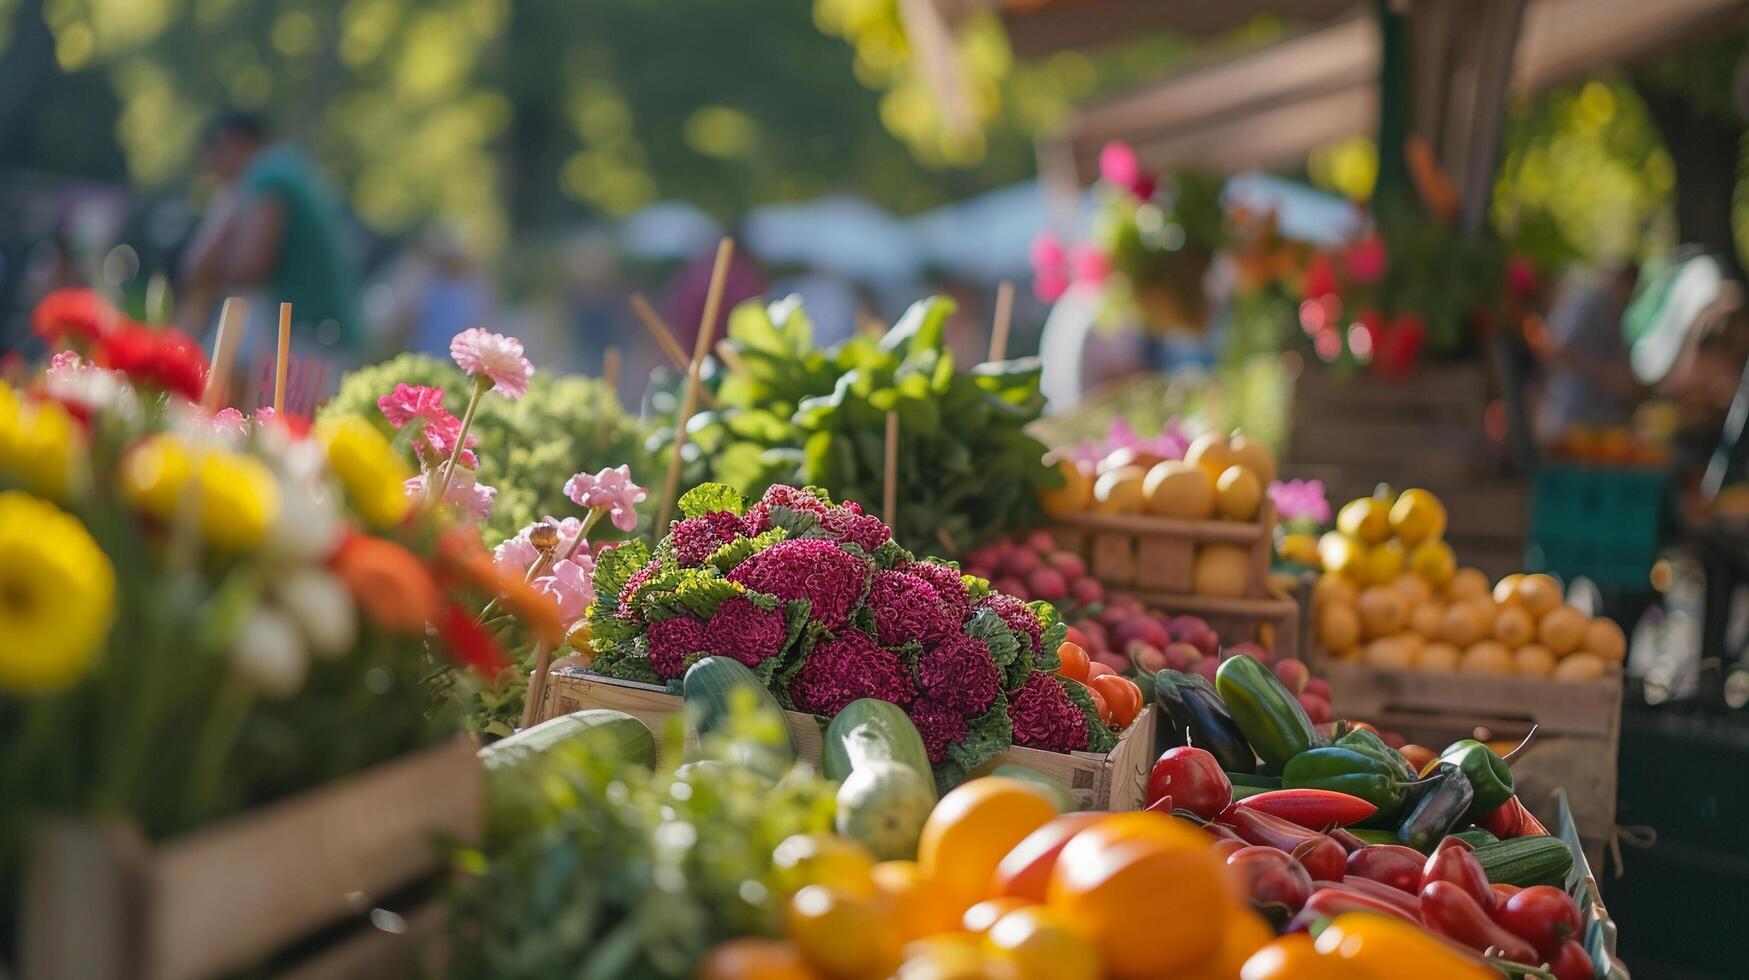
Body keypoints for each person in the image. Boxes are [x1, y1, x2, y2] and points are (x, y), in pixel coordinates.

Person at [179, 111, 361, 396]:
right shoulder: (289, 169)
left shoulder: (266, 176)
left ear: (232, 144)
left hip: (306, 340)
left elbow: (248, 266)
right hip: (319, 336)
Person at [1536, 262, 1645, 441]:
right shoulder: (1589, 304)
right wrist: (1609, 377)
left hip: (1606, 422)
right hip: (1577, 417)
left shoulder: (1618, 312)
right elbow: (1558, 348)